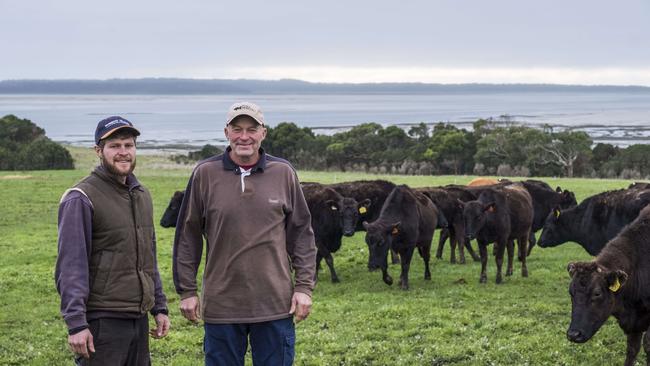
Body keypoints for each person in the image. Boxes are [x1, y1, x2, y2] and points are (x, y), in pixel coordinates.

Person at [172, 101, 316, 365]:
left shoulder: (283, 173)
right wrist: (187, 291)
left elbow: (302, 235)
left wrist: (304, 287)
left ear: (264, 133)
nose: (244, 136)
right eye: (237, 129)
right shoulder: (205, 174)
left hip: (275, 305)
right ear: (226, 132)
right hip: (222, 306)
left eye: (252, 129)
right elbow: (187, 236)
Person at [55, 116, 170, 365]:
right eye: (114, 146)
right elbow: (71, 267)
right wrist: (76, 324)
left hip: (137, 320)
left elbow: (148, 257)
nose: (123, 152)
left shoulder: (141, 194)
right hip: (102, 323)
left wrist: (159, 307)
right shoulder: (81, 197)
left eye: (128, 145)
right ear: (99, 150)